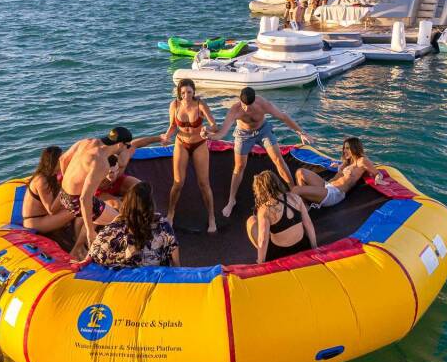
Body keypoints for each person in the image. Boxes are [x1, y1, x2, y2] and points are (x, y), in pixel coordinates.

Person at [207, 87, 313, 218]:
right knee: (239, 167)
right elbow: (222, 133)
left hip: (263, 130)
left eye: (250, 106)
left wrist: (301, 132)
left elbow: (283, 117)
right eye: (244, 106)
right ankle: (231, 200)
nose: (247, 109)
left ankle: (293, 192)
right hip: (243, 134)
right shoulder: (235, 110)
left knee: (278, 160)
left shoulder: (263, 104)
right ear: (240, 101)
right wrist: (209, 136)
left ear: (255, 101)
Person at [59, 127, 160, 256]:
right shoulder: (101, 162)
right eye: (127, 145)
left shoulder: (87, 142)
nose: (127, 148)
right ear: (120, 144)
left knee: (100, 216)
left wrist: (69, 182)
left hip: (63, 194)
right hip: (76, 201)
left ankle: (80, 248)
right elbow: (84, 199)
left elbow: (63, 160)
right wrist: (90, 231)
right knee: (124, 222)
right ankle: (133, 255)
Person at [160, 79, 219, 232]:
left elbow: (214, 126)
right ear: (179, 93)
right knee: (178, 183)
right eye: (183, 93)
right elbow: (173, 125)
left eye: (189, 92)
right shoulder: (174, 105)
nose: (186, 96)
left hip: (199, 144)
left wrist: (207, 130)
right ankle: (171, 213)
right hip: (181, 143)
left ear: (194, 92)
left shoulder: (200, 105)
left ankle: (211, 217)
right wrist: (166, 136)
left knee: (204, 184)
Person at [80, 182, 181, 268]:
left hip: (127, 277)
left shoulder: (118, 225)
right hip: (155, 277)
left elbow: (96, 249)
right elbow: (175, 258)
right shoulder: (162, 224)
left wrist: (86, 260)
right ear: (150, 204)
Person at [247, 171, 317, 263]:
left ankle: (262, 257)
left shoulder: (264, 209)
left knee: (251, 220)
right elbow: (308, 224)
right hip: (302, 247)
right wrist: (314, 248)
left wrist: (260, 262)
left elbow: (263, 239)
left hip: (280, 254)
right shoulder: (295, 198)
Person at [21, 146, 80, 251]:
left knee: (79, 204)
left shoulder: (52, 177)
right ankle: (78, 247)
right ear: (54, 161)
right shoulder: (41, 180)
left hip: (45, 218)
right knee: (80, 208)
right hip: (36, 222)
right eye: (61, 159)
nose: (64, 160)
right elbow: (51, 210)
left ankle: (77, 238)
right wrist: (65, 188)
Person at [293, 137, 378, 209]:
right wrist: (338, 165)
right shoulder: (348, 161)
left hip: (334, 194)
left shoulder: (362, 161)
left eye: (348, 148)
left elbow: (377, 173)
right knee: (300, 172)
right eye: (344, 148)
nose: (344, 150)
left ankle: (297, 210)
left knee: (296, 190)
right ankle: (305, 205)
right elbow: (343, 170)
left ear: (355, 148)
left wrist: (378, 178)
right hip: (327, 185)